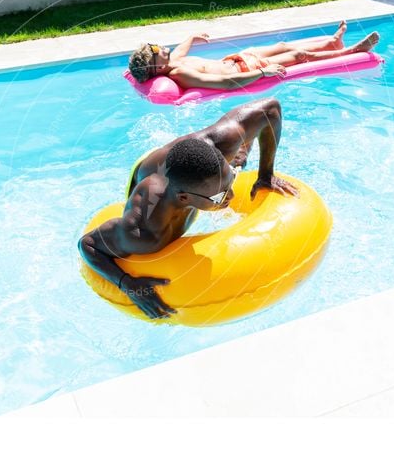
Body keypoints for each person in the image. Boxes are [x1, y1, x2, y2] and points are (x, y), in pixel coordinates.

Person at [78, 98, 298, 319]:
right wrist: (126, 284)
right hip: (150, 170)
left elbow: (271, 109)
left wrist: (266, 175)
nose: (230, 195)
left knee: (240, 160)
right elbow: (87, 244)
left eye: (231, 182)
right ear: (184, 198)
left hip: (190, 156)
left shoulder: (222, 143)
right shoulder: (144, 229)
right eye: (221, 194)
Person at [128, 21, 379, 90]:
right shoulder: (180, 72)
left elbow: (182, 48)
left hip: (236, 58)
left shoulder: (174, 60)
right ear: (157, 68)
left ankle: (332, 43)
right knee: (299, 55)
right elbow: (224, 84)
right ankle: (351, 52)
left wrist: (193, 36)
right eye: (153, 51)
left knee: (282, 44)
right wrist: (262, 72)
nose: (156, 46)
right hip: (243, 70)